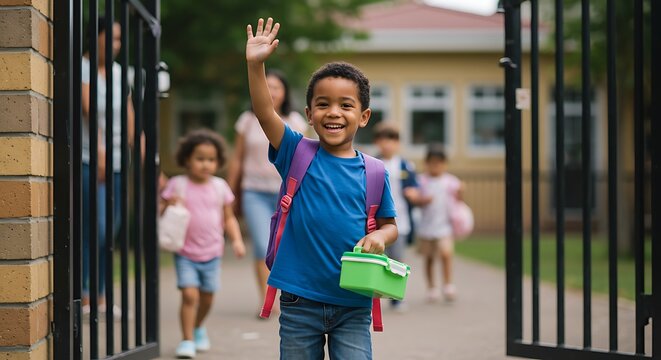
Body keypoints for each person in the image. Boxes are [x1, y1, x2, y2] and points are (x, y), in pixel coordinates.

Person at [246, 18, 398, 359]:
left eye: (346, 105)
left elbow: (390, 226)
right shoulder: (296, 152)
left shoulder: (374, 171)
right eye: (323, 104)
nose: (334, 112)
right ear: (309, 114)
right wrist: (256, 66)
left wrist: (380, 238)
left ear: (364, 116)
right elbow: (263, 111)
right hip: (300, 300)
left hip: (353, 302)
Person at [227, 70, 307, 313]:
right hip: (254, 191)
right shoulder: (247, 120)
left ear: (284, 93)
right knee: (263, 246)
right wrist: (230, 193)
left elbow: (304, 158)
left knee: (285, 245)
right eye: (267, 86)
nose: (271, 92)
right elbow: (237, 158)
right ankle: (266, 299)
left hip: (286, 193)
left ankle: (288, 293)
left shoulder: (295, 121)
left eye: (276, 87)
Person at [161, 129, 246, 358]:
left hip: (212, 252)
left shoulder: (219, 186)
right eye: (200, 159)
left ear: (218, 162)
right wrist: (170, 204)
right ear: (187, 159)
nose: (205, 164)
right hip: (185, 251)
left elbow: (228, 217)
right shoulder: (178, 184)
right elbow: (162, 212)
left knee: (207, 297)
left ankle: (198, 327)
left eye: (211, 160)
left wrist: (237, 240)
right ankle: (187, 339)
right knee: (190, 296)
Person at [81, 16, 135, 317]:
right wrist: (100, 152)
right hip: (90, 161)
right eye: (112, 37)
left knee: (110, 230)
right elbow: (89, 112)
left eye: (119, 39)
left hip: (115, 162)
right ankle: (86, 293)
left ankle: (100, 294)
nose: (117, 44)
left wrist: (146, 158)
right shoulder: (82, 67)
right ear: (96, 37)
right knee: (94, 228)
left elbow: (128, 115)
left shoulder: (118, 73)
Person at [372, 122, 430, 311]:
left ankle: (396, 297)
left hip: (400, 221)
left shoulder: (405, 165)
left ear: (397, 143)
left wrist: (414, 194)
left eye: (392, 140)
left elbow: (414, 187)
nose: (388, 144)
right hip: (377, 221)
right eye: (384, 139)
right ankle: (373, 296)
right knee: (377, 258)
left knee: (396, 259)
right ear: (378, 142)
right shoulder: (373, 163)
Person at [417, 143, 465, 302]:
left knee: (446, 253)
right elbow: (416, 201)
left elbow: (459, 200)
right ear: (427, 163)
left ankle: (448, 284)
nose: (436, 166)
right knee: (429, 257)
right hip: (426, 226)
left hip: (444, 225)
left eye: (439, 163)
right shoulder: (422, 181)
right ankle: (431, 287)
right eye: (432, 163)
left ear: (445, 164)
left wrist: (460, 193)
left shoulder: (450, 181)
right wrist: (423, 200)